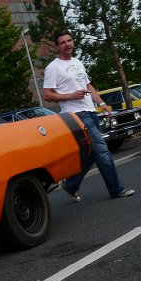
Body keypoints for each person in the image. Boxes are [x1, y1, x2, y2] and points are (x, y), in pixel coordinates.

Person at [42, 29, 134, 201]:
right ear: (57, 47)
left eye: (69, 41)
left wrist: (102, 104)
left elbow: (89, 86)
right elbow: (47, 94)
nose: (67, 44)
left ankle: (71, 185)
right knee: (102, 150)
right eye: (62, 42)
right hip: (76, 115)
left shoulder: (77, 62)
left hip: (90, 111)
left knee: (92, 153)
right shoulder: (53, 68)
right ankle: (116, 189)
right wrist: (70, 95)